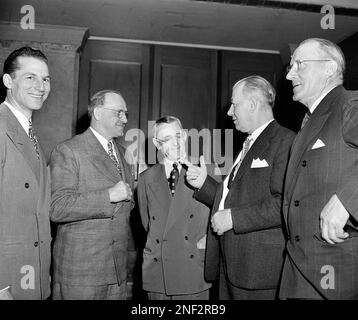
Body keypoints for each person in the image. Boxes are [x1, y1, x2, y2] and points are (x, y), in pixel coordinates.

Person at [185, 76, 295, 299]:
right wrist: (204, 185)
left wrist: (233, 218)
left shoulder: (285, 140)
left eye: (235, 104)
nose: (229, 112)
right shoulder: (248, 142)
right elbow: (237, 197)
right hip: (232, 266)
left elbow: (284, 203)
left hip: (257, 273)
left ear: (253, 104)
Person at [280, 38, 358, 300]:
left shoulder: (349, 104)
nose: (290, 74)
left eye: (299, 65)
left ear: (328, 68)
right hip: (299, 273)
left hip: (339, 275)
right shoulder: (308, 120)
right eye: (290, 67)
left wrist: (348, 201)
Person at [50, 90, 134, 300]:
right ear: (97, 112)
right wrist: (108, 196)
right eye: (119, 113)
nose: (124, 119)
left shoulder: (123, 153)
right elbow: (57, 207)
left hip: (117, 274)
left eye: (126, 113)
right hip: (81, 275)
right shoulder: (69, 150)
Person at [137, 116, 214, 300]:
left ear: (186, 136)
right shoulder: (146, 178)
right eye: (166, 139)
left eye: (178, 136)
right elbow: (146, 223)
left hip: (192, 271)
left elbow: (219, 214)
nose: (175, 143)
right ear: (157, 143)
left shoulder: (207, 171)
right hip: (158, 273)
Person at [0, 46, 52, 299]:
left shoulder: (30, 135)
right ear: (8, 81)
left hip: (33, 278)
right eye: (30, 77)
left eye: (45, 79)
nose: (40, 86)